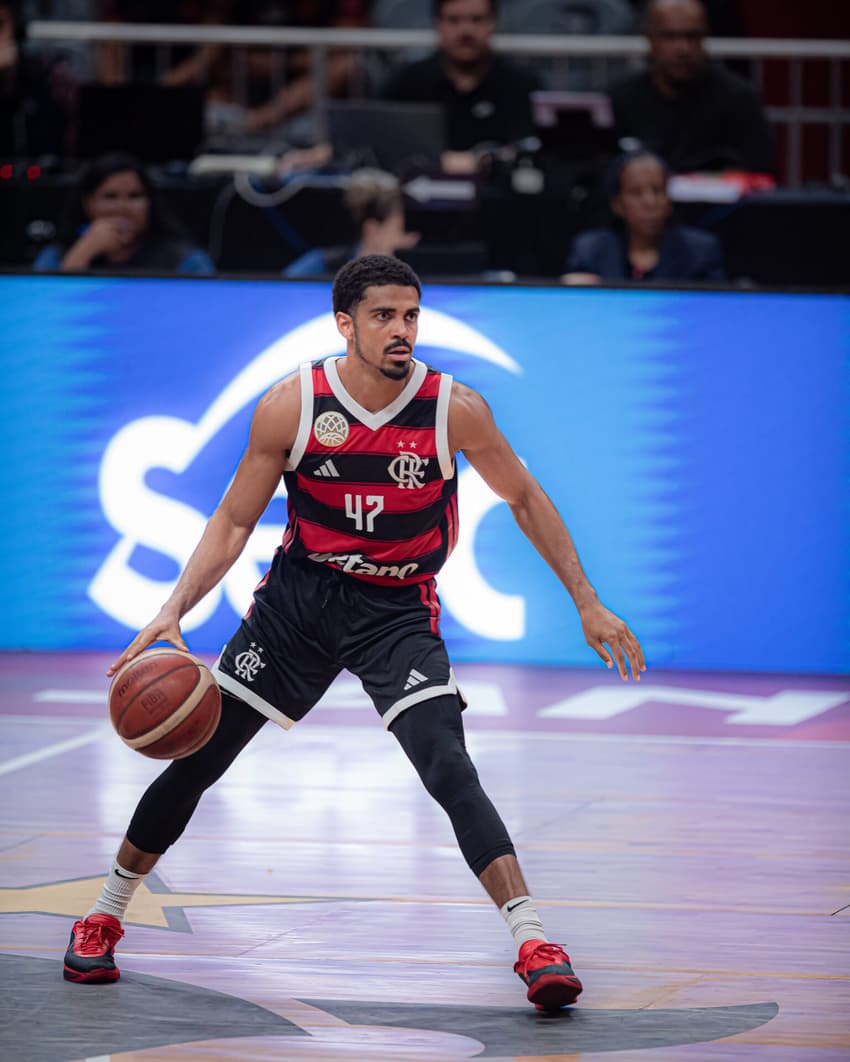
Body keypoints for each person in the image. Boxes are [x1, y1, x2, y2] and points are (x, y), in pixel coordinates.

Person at [62, 255, 645, 1011]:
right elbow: (236, 518)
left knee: (447, 764)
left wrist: (586, 600)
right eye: (383, 316)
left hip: (396, 610)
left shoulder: (453, 407)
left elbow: (526, 497)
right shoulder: (291, 404)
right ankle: (104, 915)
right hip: (300, 603)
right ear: (345, 323)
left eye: (410, 315)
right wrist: (175, 607)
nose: (401, 330)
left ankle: (534, 940)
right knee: (201, 756)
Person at [607, 0, 773, 175]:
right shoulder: (620, 100)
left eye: (692, 36)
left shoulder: (740, 99)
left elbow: (759, 172)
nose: (683, 49)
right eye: (670, 36)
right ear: (649, 39)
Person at [381, 0, 542, 174]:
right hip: (421, 191)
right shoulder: (407, 84)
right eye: (454, 20)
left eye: (477, 19)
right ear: (438, 24)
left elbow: (534, 150)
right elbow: (382, 145)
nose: (466, 31)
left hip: (499, 195)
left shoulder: (521, 85)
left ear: (493, 23)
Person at [32, 153, 215, 274]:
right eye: (110, 197)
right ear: (88, 203)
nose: (123, 207)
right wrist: (83, 253)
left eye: (135, 196)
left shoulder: (186, 261)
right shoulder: (56, 256)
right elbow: (42, 314)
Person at [563, 149, 725, 283]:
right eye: (635, 193)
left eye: (658, 191)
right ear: (617, 204)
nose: (650, 202)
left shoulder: (700, 251)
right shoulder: (590, 250)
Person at [283, 168, 419, 276]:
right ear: (372, 230)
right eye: (399, 230)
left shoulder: (410, 275)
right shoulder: (323, 264)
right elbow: (281, 288)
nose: (408, 239)